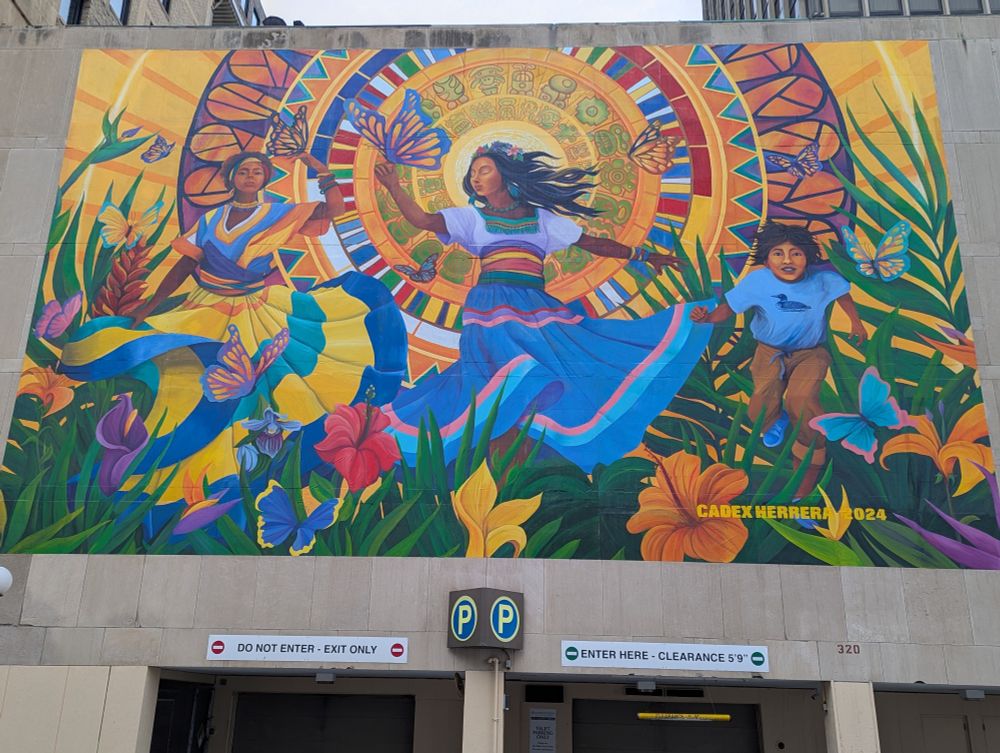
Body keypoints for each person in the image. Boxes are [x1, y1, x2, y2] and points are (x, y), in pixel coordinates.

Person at [61, 151, 407, 480]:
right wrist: (151, 305)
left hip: (253, 310)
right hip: (205, 305)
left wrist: (320, 167)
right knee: (187, 375)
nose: (250, 176)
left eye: (257, 171)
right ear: (231, 178)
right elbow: (186, 263)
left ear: (265, 179)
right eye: (243, 171)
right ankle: (182, 458)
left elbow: (333, 209)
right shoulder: (211, 218)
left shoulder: (277, 214)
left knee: (266, 386)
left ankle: (239, 467)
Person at [378, 141, 713, 471]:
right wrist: (394, 186)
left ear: (506, 174)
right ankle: (497, 465)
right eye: (472, 174)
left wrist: (642, 255)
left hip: (537, 311)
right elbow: (422, 220)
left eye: (484, 170)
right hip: (491, 311)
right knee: (505, 377)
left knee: (564, 369)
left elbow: (592, 243)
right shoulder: (471, 219)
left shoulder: (543, 220)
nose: (476, 178)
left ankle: (522, 465)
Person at [690, 220, 867, 499]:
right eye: (778, 253)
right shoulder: (758, 281)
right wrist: (709, 318)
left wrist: (856, 322)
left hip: (811, 353)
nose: (787, 260)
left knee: (802, 401)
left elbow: (843, 294)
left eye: (795, 253)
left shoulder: (823, 281)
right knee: (758, 410)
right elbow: (729, 308)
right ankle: (776, 420)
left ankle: (805, 483)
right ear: (767, 258)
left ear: (807, 256)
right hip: (768, 350)